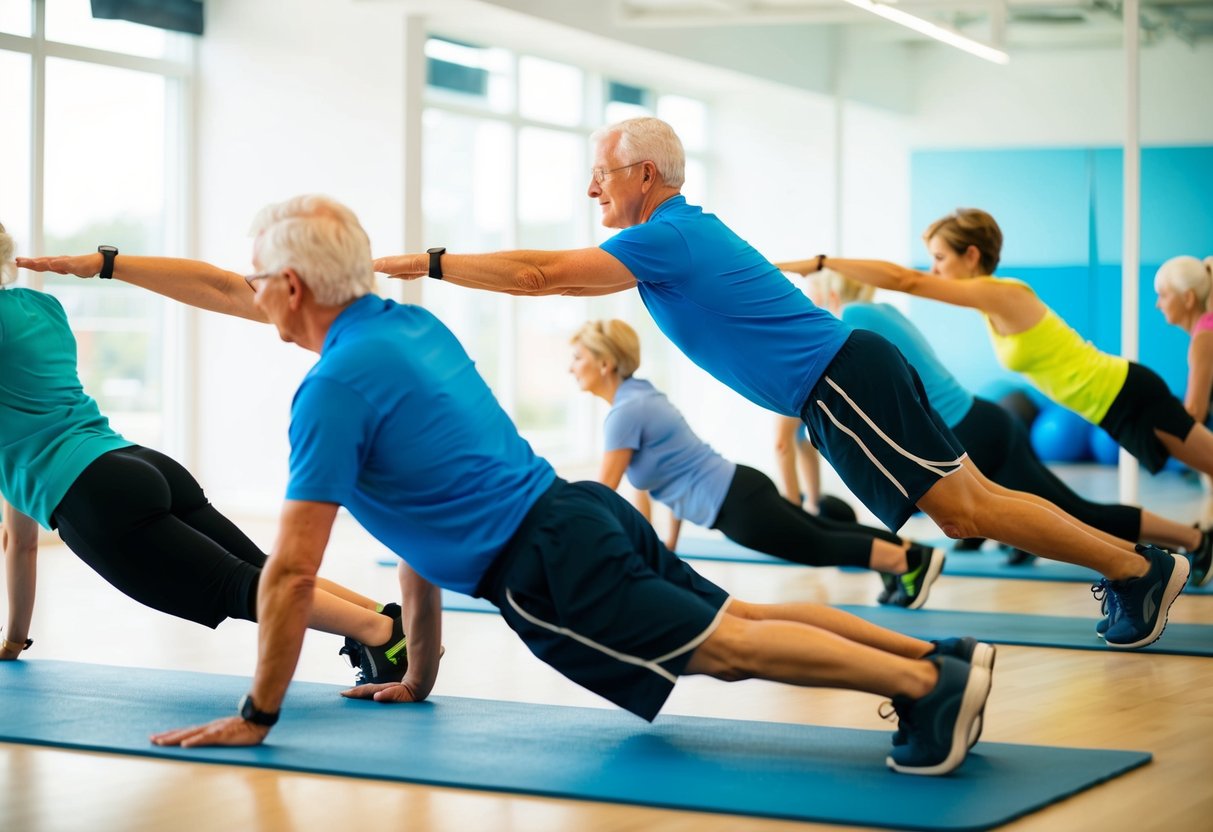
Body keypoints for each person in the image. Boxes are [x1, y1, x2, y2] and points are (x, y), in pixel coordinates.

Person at [23, 196, 995, 776]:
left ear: (292, 288)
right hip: (579, 509)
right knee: (731, 616)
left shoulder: (332, 390)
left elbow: (287, 576)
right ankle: (939, 655)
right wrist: (422, 669)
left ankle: (921, 687)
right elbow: (408, 524)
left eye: (260, 281)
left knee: (724, 649)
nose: (251, 293)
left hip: (545, 562)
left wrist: (260, 711)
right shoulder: (402, 327)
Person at [372, 117, 1189, 650]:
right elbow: (568, 282)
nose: (592, 189)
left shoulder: (664, 236)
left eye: (601, 174)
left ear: (645, 175)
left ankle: (1135, 571)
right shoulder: (665, 240)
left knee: (965, 509)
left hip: (837, 382)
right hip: (841, 380)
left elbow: (541, 274)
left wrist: (432, 264)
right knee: (975, 500)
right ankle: (1134, 566)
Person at [0, 222, 405, 682]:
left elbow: (20, 534)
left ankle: (381, 636)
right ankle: (390, 620)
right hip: (139, 465)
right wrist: (14, 640)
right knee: (264, 574)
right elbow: (19, 538)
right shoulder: (42, 308)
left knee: (242, 587)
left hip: (97, 497)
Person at [803, 267, 1213, 598]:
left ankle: (1173, 552)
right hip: (981, 417)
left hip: (970, 427)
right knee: (1051, 506)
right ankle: (1176, 547)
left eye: (942, 257)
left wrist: (823, 261)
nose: (937, 268)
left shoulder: (852, 319)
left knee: (1065, 511)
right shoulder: (884, 312)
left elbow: (908, 282)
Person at [570, 318, 945, 608]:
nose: (571, 367)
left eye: (577, 358)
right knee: (818, 534)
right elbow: (658, 479)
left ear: (604, 363)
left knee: (816, 545)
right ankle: (908, 556)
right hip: (738, 490)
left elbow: (605, 491)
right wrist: (665, 541)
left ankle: (908, 562)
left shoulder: (625, 414)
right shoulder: (640, 397)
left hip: (734, 504)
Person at [1154, 255, 1213, 426]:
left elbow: (1195, 414)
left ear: (1188, 298)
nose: (1158, 304)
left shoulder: (1204, 338)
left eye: (1163, 295)